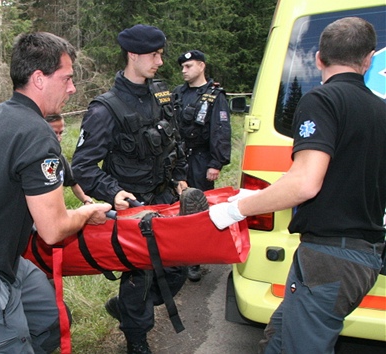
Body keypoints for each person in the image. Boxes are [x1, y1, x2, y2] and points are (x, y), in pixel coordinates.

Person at [209, 17, 386, 354]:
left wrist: (235, 209)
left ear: (319, 58)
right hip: (361, 256)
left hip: (330, 257)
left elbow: (305, 182)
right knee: (279, 336)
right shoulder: (380, 109)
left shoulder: (322, 100)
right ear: (368, 59)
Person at [0, 32, 112, 353]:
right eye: (67, 78)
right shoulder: (38, 133)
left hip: (2, 261)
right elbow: (53, 229)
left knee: (49, 320)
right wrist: (87, 211)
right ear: (39, 79)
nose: (72, 89)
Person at [71, 24, 205, 354]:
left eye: (161, 54)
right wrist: (112, 191)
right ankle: (136, 338)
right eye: (155, 55)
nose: (161, 61)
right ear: (134, 55)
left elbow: (174, 143)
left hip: (165, 201)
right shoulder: (105, 109)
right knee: (141, 277)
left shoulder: (161, 94)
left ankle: (128, 309)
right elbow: (83, 168)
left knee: (174, 273)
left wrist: (180, 177)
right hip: (133, 210)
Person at [173, 50, 231, 282]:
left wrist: (216, 162)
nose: (184, 71)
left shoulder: (215, 95)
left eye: (188, 66)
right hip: (177, 159)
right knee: (175, 207)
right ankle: (175, 256)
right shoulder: (177, 94)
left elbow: (220, 130)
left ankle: (194, 261)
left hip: (201, 159)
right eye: (182, 67)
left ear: (201, 66)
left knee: (197, 210)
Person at [45, 114, 93, 205]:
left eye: (61, 133)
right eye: (54, 133)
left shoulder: (58, 157)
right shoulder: (32, 159)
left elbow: (73, 182)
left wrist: (86, 200)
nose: (59, 139)